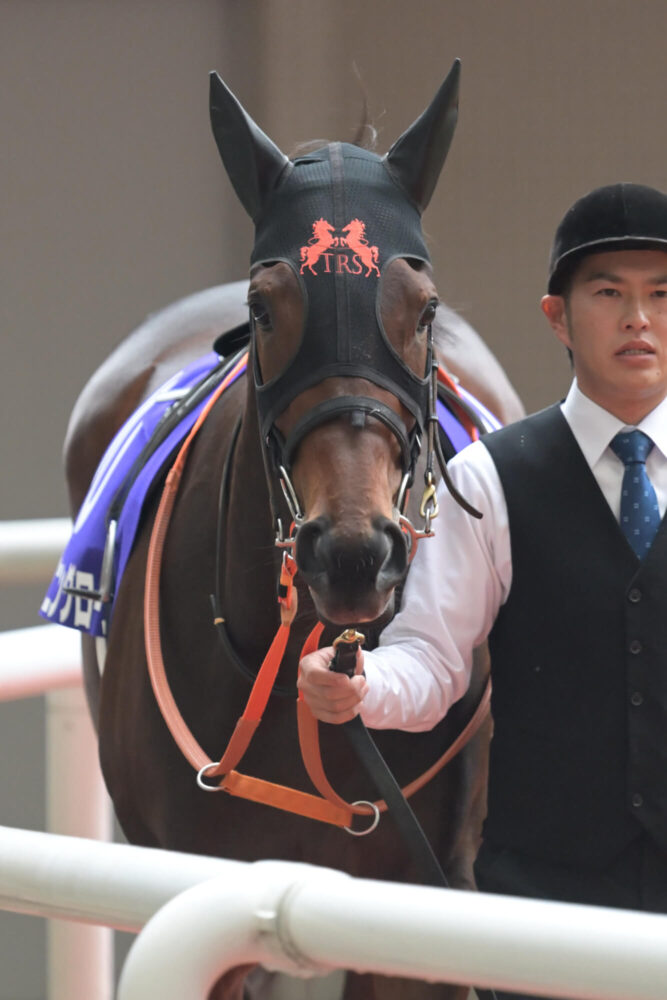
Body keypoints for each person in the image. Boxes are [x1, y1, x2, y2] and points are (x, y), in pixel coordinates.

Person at [298, 182, 667, 999]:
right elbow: (430, 660)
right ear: (557, 317)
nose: (637, 318)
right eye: (608, 293)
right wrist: (360, 687)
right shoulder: (488, 478)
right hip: (542, 908)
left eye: (660, 294)